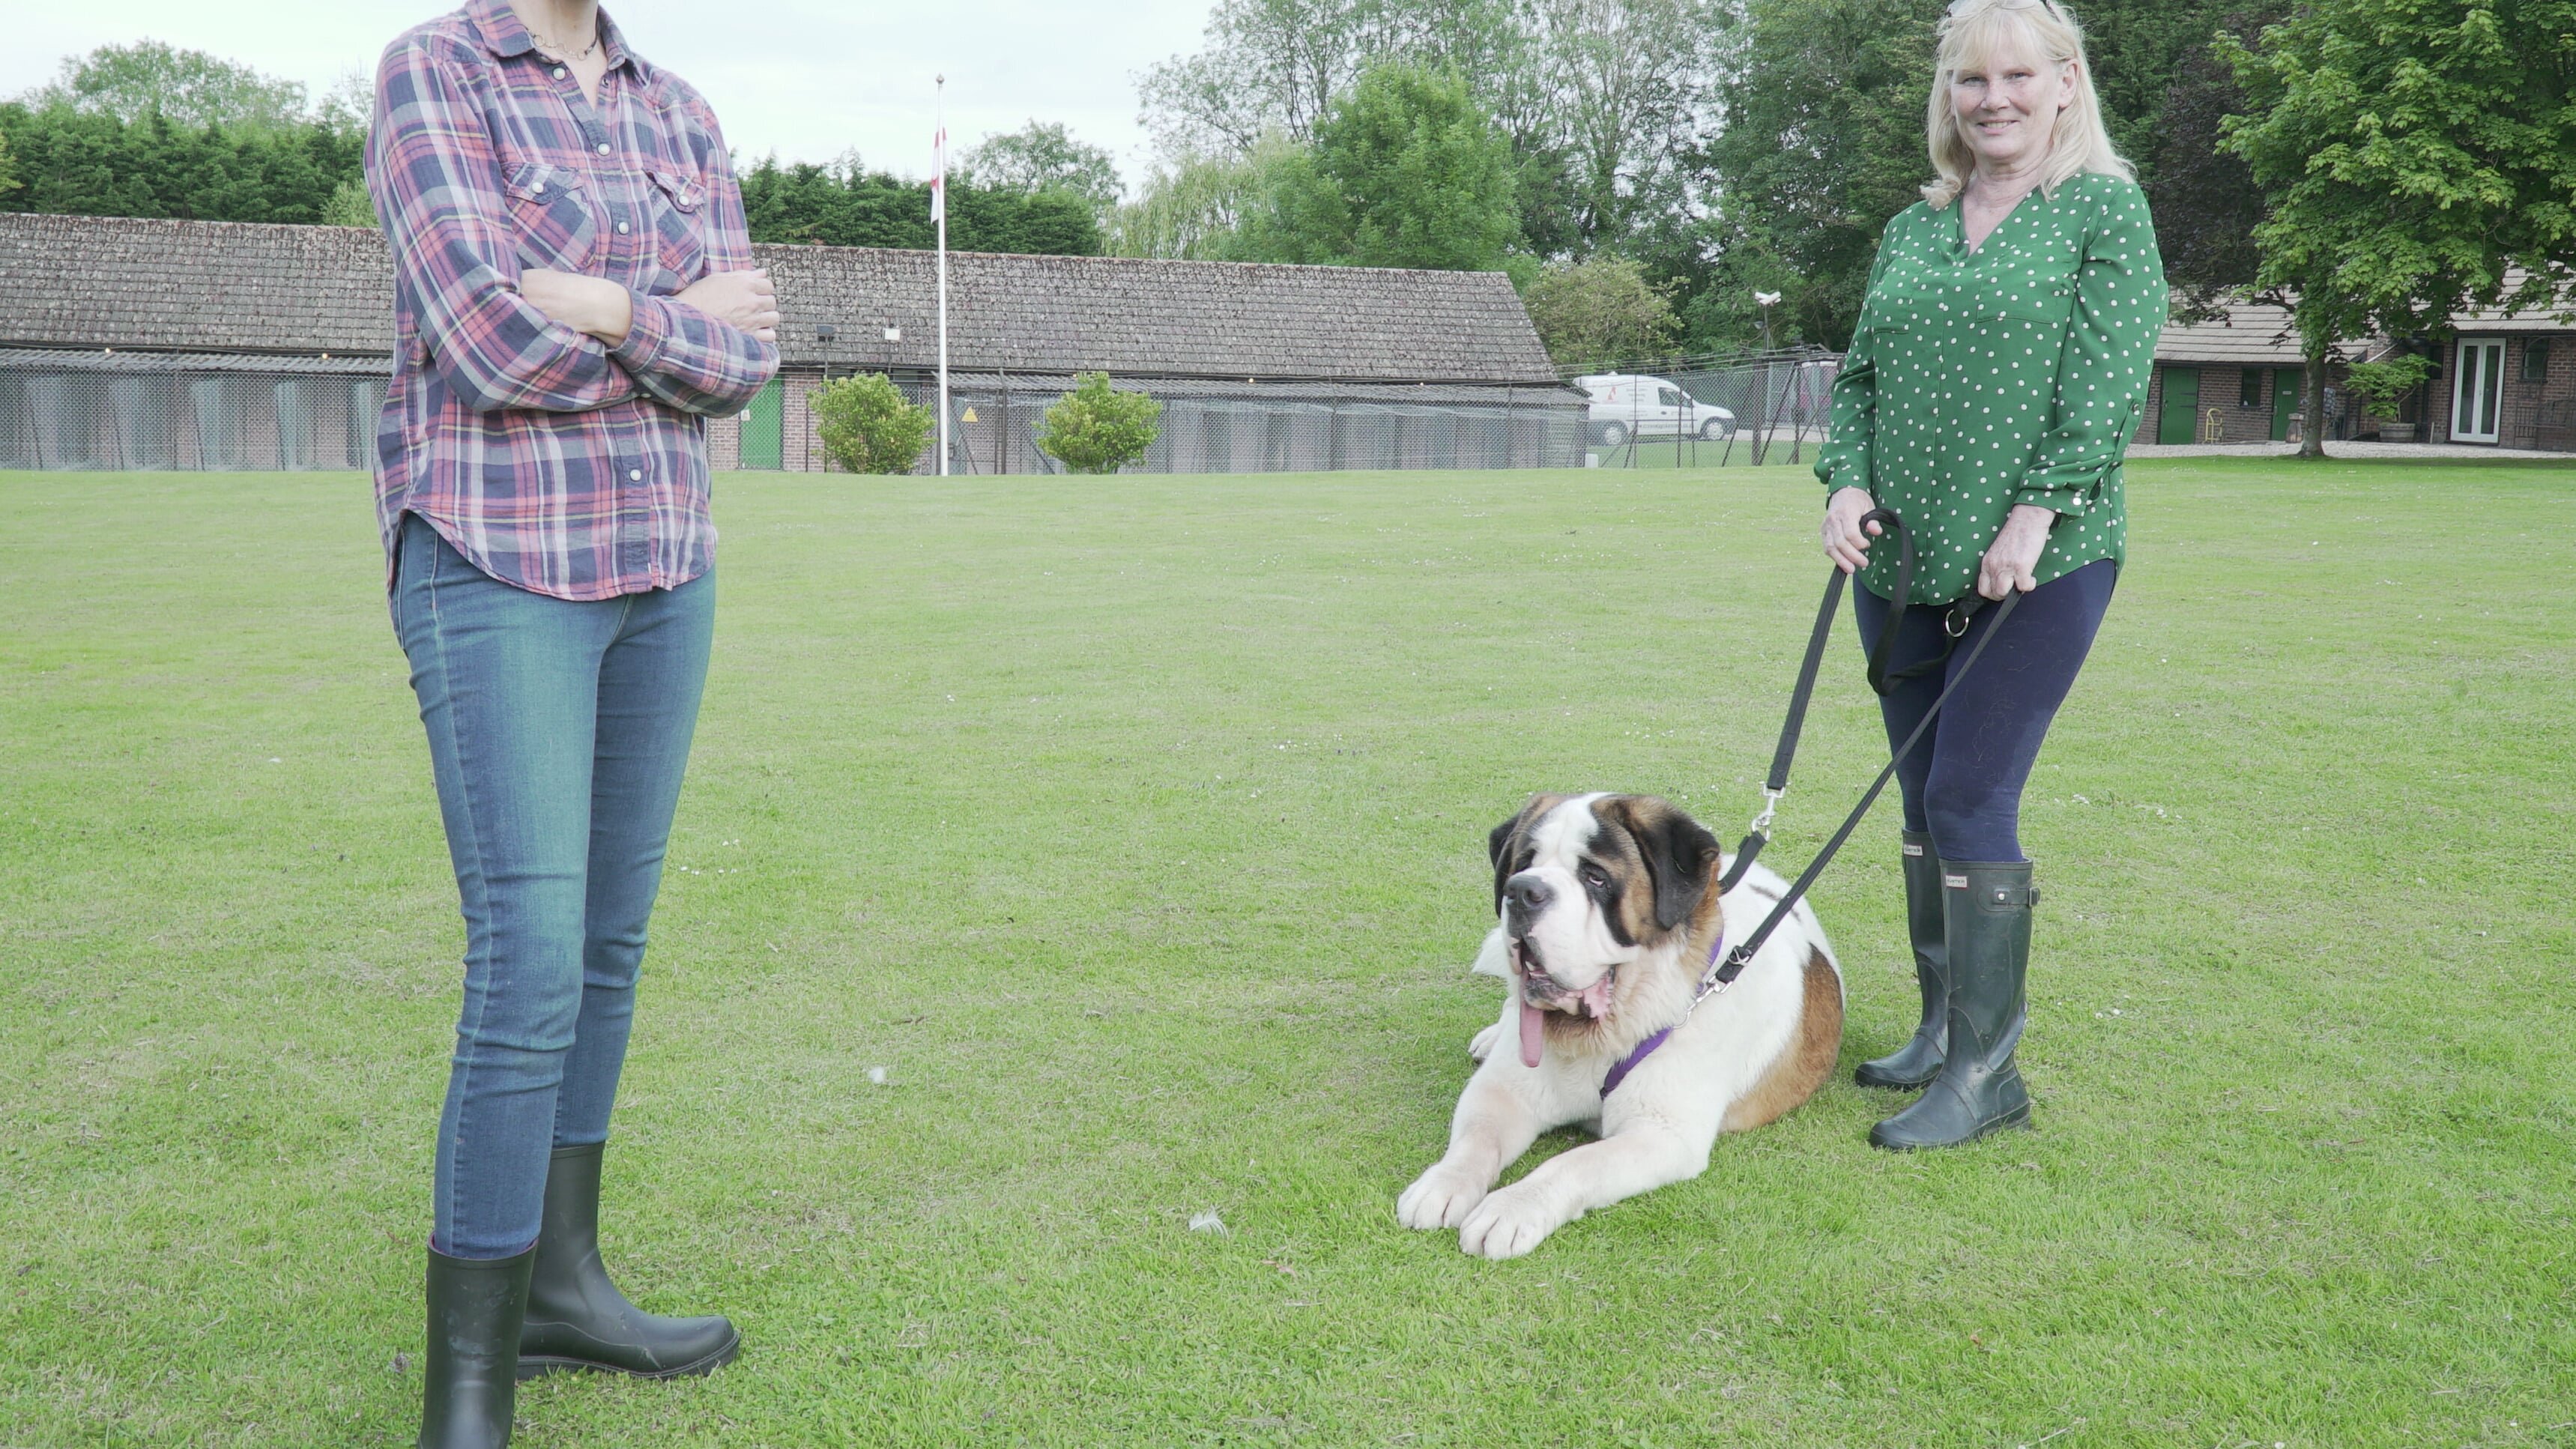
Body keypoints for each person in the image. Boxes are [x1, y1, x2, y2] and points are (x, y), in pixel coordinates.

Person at [362, 0, 779, 1442]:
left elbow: (751, 359)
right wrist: (670, 322)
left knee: (607, 944)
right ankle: (469, 1379)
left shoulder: (680, 107)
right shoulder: (435, 71)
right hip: (492, 555)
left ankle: (563, 1286)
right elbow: (481, 341)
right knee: (530, 954)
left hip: (666, 565)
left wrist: (597, 301)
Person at [1812, 0, 2163, 1151]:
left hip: (2041, 561)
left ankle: (1985, 1074)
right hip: (1901, 557)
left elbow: (2110, 377)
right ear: (1947, 97)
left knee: (1970, 795)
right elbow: (1857, 377)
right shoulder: (1911, 228)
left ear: (2065, 83)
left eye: (2017, 75)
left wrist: (2037, 507)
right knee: (1919, 803)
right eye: (1970, 80)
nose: (1992, 98)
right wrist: (1843, 483)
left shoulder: (2102, 210)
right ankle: (1935, 1030)